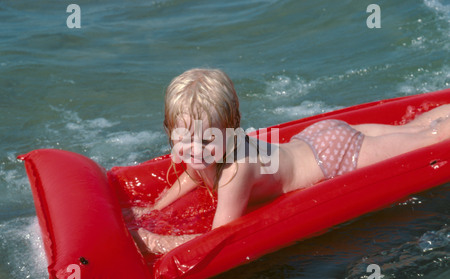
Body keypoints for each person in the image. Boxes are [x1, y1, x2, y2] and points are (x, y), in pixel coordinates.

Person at [133, 68, 450, 254]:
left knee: (429, 139)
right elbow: (190, 175)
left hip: (332, 156)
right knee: (415, 128)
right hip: (312, 138)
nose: (196, 152)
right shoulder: (203, 153)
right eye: (185, 141)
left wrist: (153, 239)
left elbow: (220, 237)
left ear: (231, 132)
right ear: (169, 131)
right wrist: (155, 209)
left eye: (205, 141)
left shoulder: (234, 170)